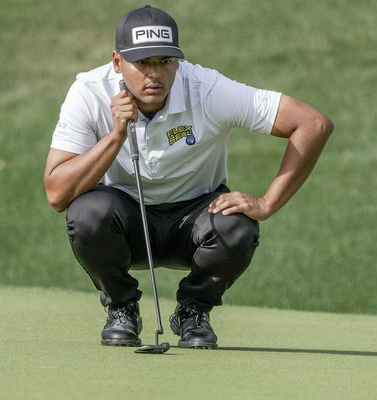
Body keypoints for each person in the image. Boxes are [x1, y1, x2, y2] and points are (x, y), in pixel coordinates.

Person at [43, 5, 333, 349]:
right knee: (87, 213)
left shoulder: (207, 89)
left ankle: (193, 310)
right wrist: (116, 135)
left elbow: (313, 124)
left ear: (177, 62)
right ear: (117, 62)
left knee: (236, 225)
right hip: (126, 223)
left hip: (195, 223)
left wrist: (267, 202)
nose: (155, 74)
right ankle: (121, 306)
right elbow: (57, 194)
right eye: (143, 62)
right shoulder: (89, 91)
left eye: (164, 61)